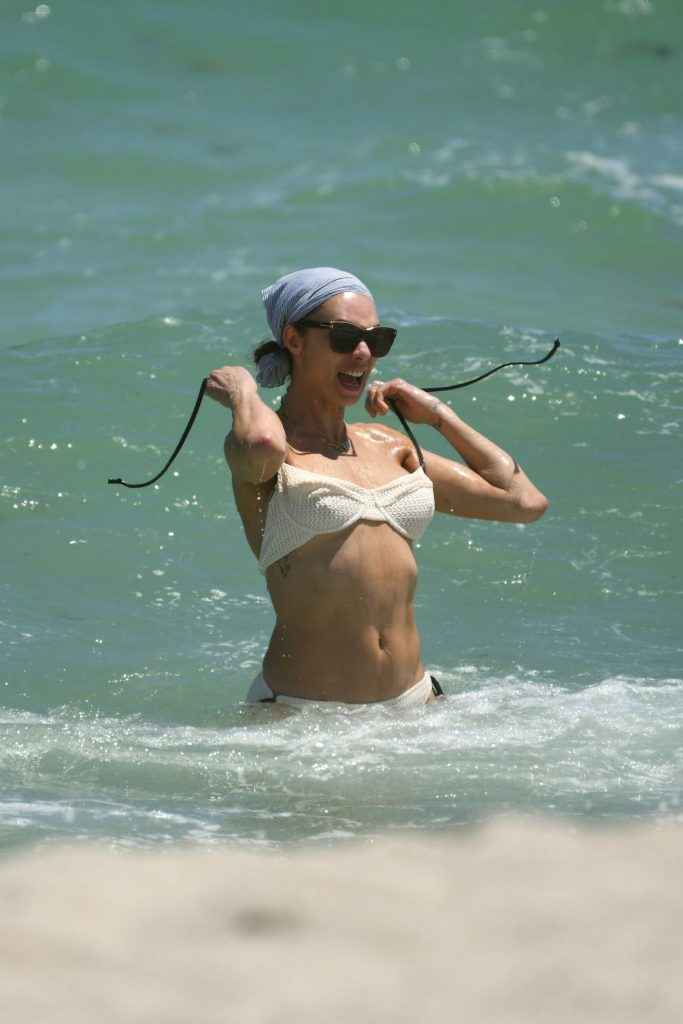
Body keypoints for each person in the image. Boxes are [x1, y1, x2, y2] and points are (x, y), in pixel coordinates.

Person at [206, 268, 548, 707]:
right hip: (304, 716)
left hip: (416, 703)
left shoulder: (389, 445)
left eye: (377, 340)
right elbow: (260, 442)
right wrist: (243, 392)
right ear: (294, 339)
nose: (364, 354)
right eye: (345, 337)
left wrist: (438, 415)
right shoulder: (275, 455)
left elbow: (523, 501)